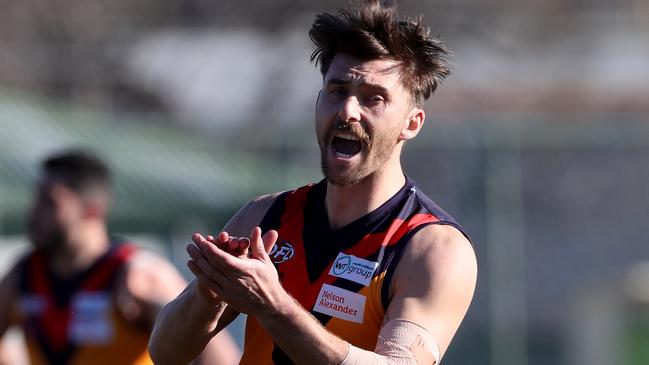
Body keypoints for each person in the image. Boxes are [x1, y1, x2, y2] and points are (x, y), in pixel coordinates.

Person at [149, 1, 478, 364]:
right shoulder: (266, 217)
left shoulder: (431, 249)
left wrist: (276, 308)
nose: (348, 110)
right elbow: (165, 353)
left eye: (374, 99)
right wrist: (208, 293)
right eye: (337, 90)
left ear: (411, 124)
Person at [0, 149, 241, 365]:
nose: (34, 211)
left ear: (92, 210)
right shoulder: (24, 274)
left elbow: (220, 358)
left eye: (49, 202)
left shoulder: (137, 274)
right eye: (36, 199)